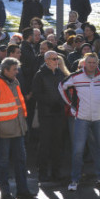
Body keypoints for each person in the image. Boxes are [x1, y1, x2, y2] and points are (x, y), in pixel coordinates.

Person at [60, 53, 100, 192]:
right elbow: (61, 87)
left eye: (94, 62)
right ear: (84, 63)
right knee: (78, 151)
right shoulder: (76, 76)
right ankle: (74, 180)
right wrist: (71, 105)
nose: (92, 64)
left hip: (99, 118)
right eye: (89, 62)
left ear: (97, 63)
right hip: (81, 118)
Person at [0, 57, 36, 199]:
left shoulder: (15, 82)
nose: (17, 72)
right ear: (5, 70)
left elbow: (18, 106)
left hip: (17, 129)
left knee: (20, 161)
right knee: (3, 163)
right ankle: (5, 193)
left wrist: (23, 126)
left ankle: (22, 190)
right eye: (14, 69)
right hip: (3, 132)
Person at [32, 51, 69, 183]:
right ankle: (43, 173)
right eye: (54, 59)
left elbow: (64, 91)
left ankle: (56, 172)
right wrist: (50, 104)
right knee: (45, 144)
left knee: (57, 144)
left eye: (57, 59)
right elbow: (36, 93)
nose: (56, 61)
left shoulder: (60, 73)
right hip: (46, 114)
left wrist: (60, 103)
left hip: (59, 113)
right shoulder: (40, 74)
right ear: (46, 60)